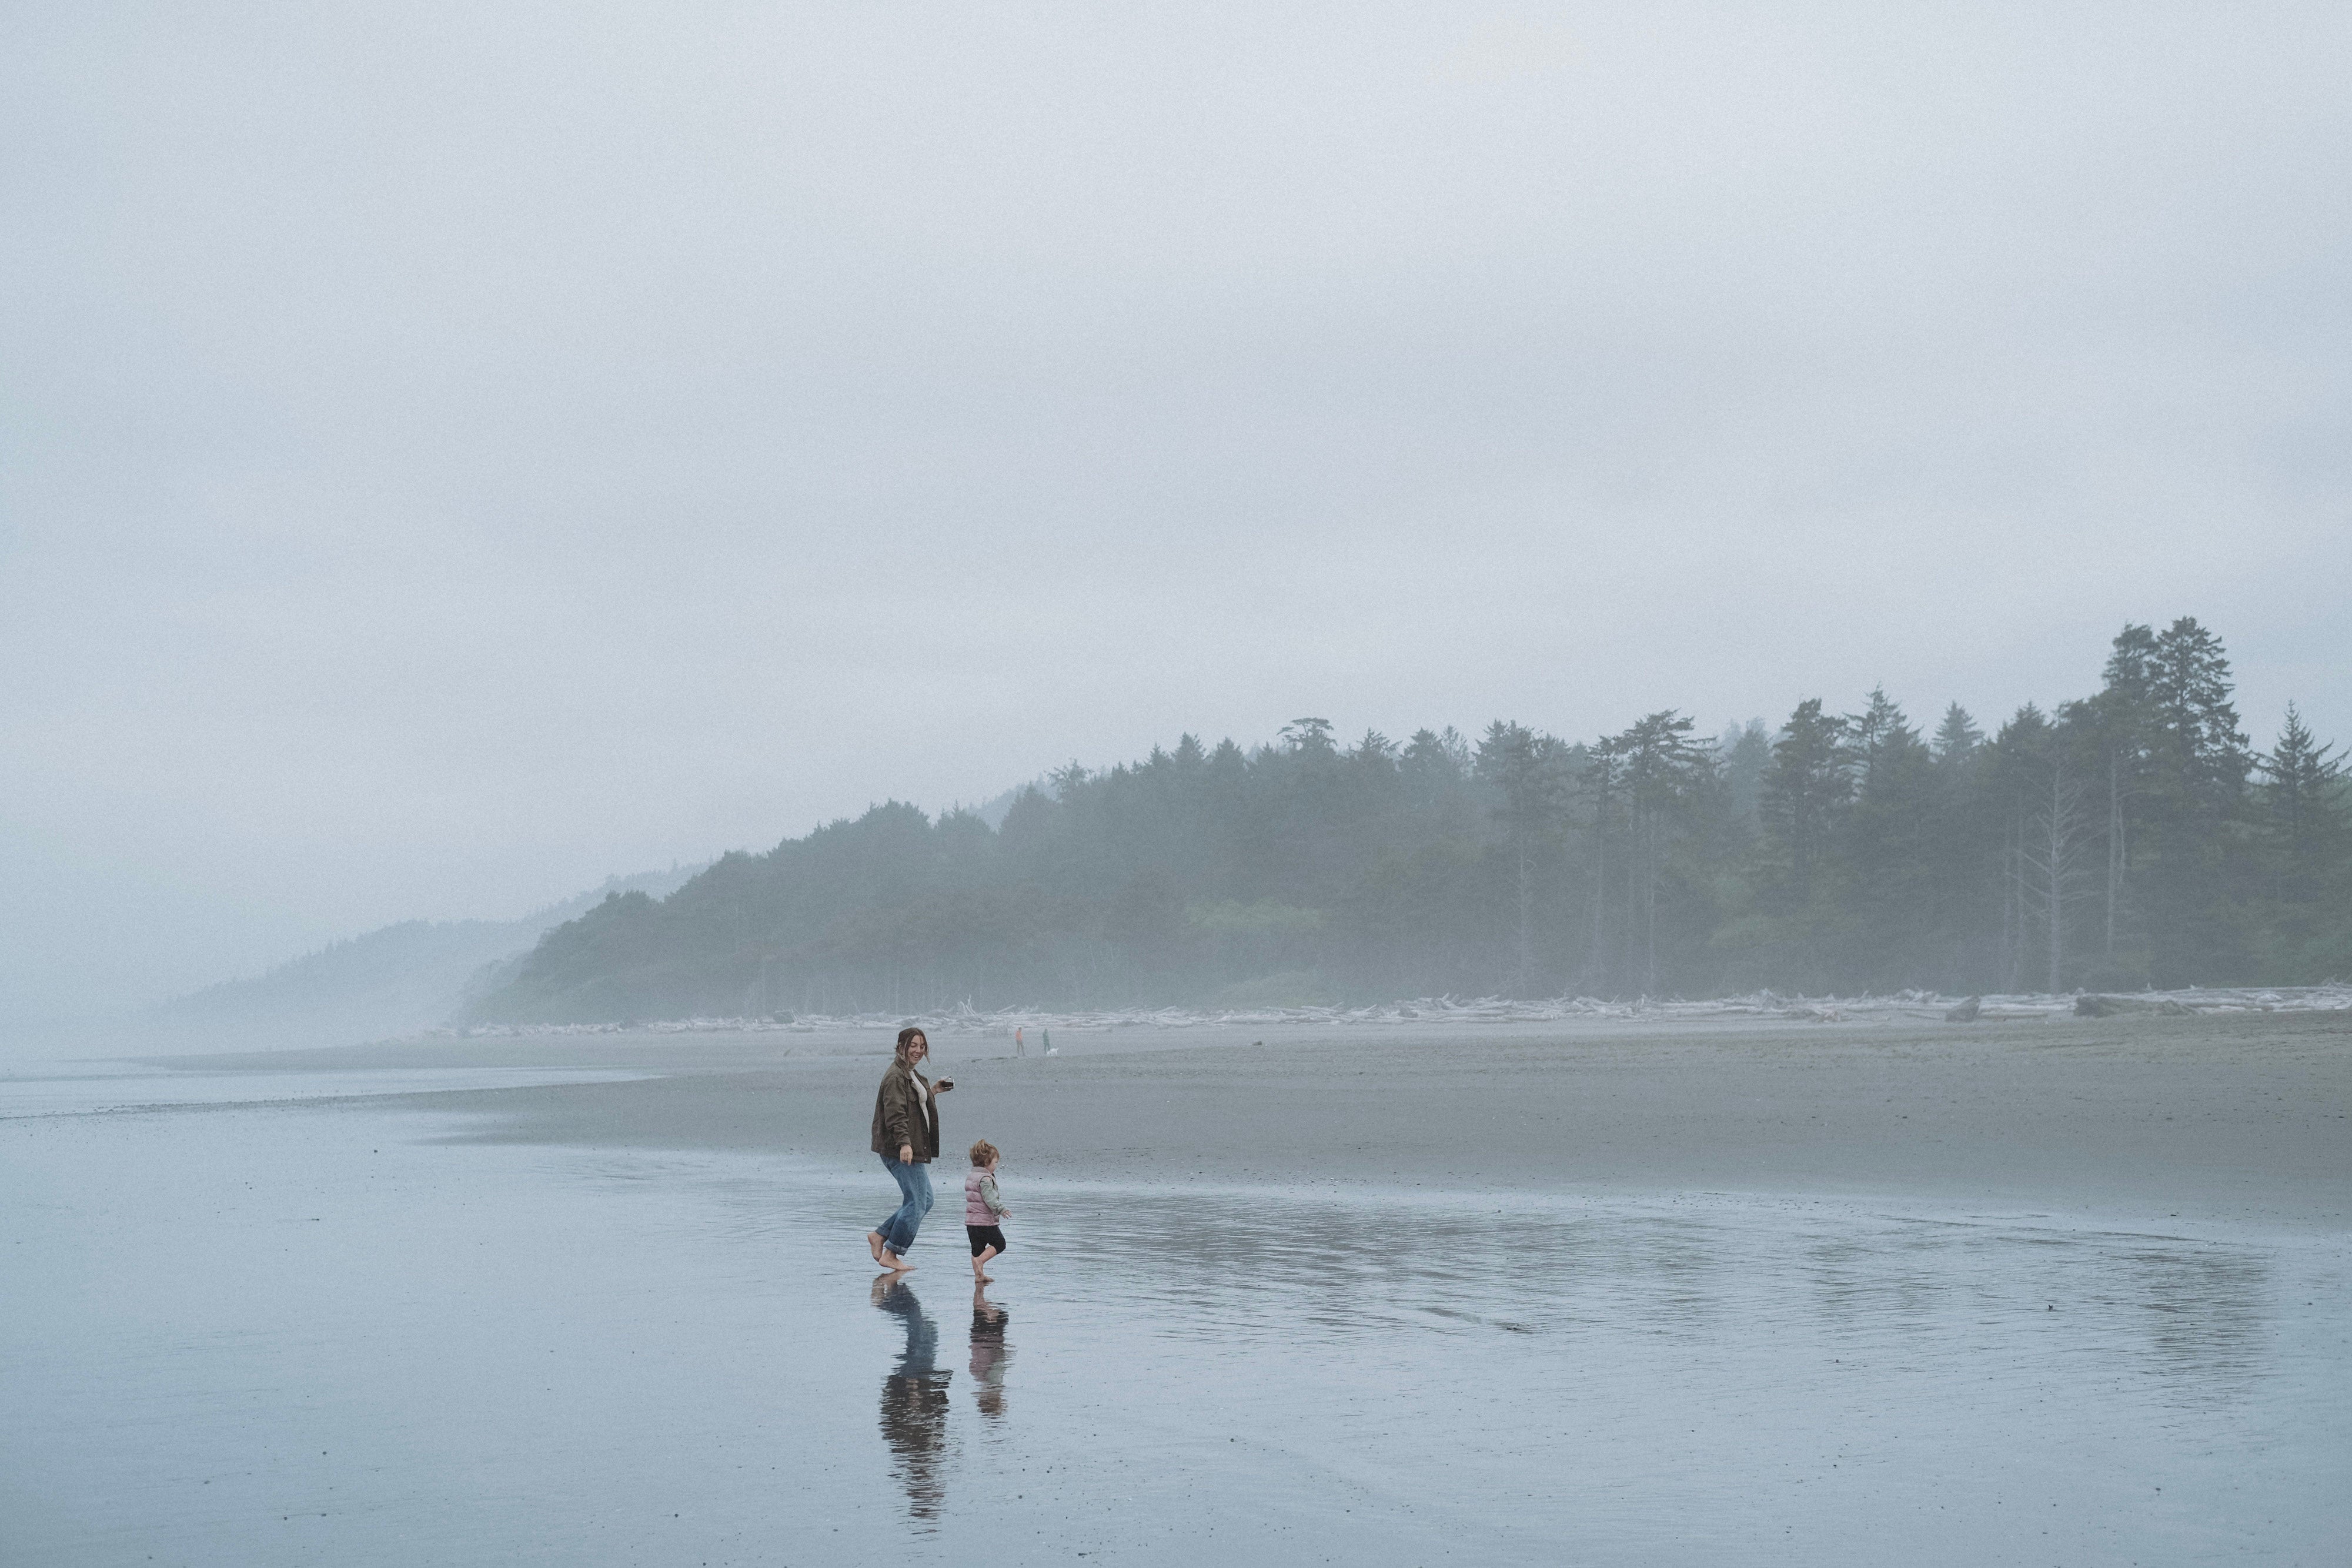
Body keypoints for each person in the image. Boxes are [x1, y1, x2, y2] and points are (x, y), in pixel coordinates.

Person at [868, 1027, 952, 1272]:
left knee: (926, 1200)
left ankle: (879, 1235)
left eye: (922, 1046)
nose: (918, 1050)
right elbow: (896, 1114)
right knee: (916, 1203)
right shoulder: (896, 1076)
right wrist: (905, 1143)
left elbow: (913, 1103)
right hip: (900, 1149)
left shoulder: (910, 1074)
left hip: (910, 1146)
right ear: (901, 1047)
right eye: (913, 1045)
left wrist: (933, 1090)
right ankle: (892, 1253)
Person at [963, 1139, 1011, 1282]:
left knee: (977, 1249)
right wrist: (1001, 1209)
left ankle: (979, 1276)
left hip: (971, 1222)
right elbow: (989, 1199)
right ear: (987, 1162)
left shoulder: (971, 1176)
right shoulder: (985, 1179)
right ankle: (980, 1263)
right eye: (996, 1162)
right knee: (1000, 1244)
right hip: (985, 1222)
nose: (997, 1165)